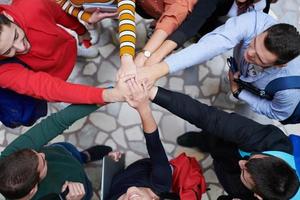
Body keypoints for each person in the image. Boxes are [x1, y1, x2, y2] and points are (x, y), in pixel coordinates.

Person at [136, 11, 300, 122]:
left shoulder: (288, 91)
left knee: (237, 113)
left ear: (280, 65)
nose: (249, 53)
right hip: (239, 74)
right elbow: (213, 44)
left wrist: (239, 92)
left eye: (260, 59)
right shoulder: (255, 21)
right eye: (254, 43)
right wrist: (158, 69)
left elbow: (277, 112)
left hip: (258, 94)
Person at [148, 85, 299, 199]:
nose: (241, 163)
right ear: (272, 158)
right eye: (249, 162)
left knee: (224, 169)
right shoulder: (271, 139)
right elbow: (210, 118)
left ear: (259, 197)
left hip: (233, 183)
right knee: (215, 135)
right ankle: (203, 140)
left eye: (245, 172)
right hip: (229, 145)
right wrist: (153, 93)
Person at [0, 76, 131, 200]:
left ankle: (84, 157)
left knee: (70, 152)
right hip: (77, 190)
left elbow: (57, 122)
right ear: (32, 190)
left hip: (62, 155)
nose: (43, 153)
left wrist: (109, 94)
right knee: (87, 190)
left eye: (37, 153)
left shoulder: (7, 160)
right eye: (43, 162)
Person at [106, 79, 206, 200]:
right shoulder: (161, 182)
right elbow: (154, 145)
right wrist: (143, 108)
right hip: (148, 167)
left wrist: (110, 164)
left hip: (129, 172)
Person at [143, 0, 278, 66]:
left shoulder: (262, 8)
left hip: (218, 28)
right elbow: (192, 23)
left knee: (200, 44)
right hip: (202, 15)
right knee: (179, 23)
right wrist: (157, 54)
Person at [133, 0, 198, 68]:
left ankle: (162, 30)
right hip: (148, 7)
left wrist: (144, 55)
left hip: (182, 12)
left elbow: (173, 16)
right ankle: (160, 25)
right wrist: (127, 57)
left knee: (176, 19)